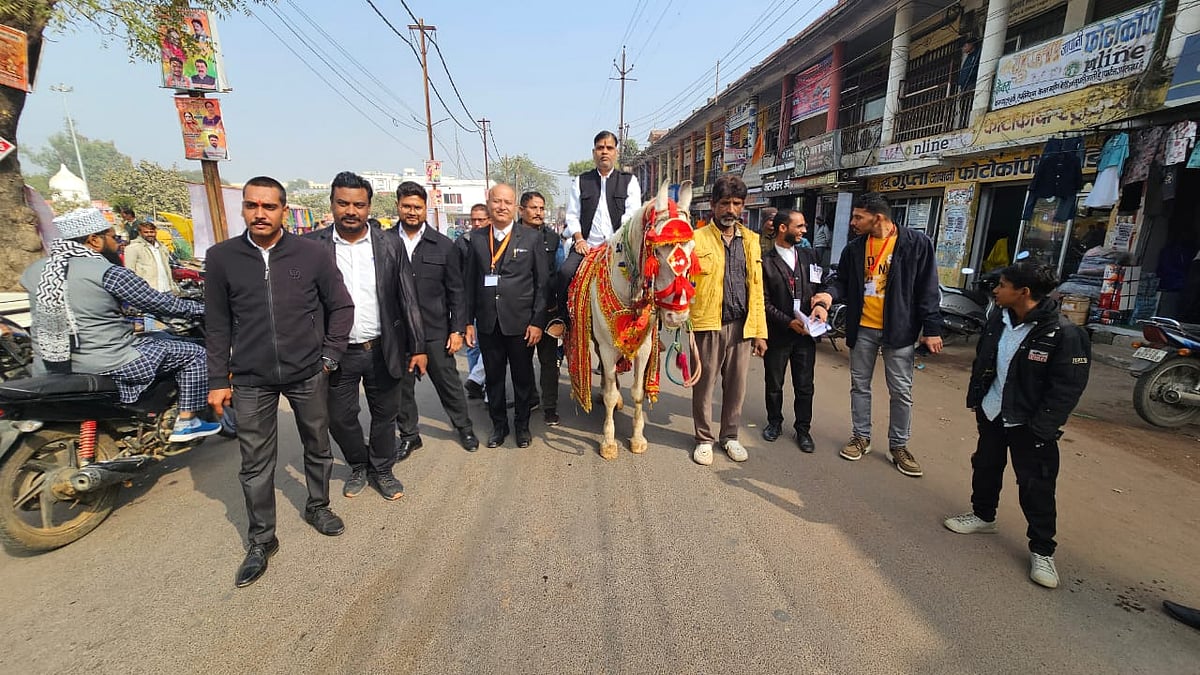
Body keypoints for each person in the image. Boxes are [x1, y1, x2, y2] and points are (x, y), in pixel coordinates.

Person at [205, 176, 354, 588]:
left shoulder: (312, 255)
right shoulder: (222, 258)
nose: (260, 213)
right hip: (251, 378)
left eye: (269, 207)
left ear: (283, 211)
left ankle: (318, 506)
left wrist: (329, 356)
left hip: (308, 371)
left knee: (317, 443)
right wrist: (219, 378)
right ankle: (261, 539)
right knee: (255, 462)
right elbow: (216, 324)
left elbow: (341, 306)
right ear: (243, 209)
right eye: (252, 206)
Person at [944, 263, 1090, 589]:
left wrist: (1043, 427)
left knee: (1035, 485)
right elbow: (984, 360)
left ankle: (1042, 550)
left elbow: (1067, 388)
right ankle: (983, 516)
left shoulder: (1063, 334)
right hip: (993, 412)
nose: (996, 290)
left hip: (1030, 424)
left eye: (1003, 285)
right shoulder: (1000, 318)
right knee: (985, 466)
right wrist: (978, 401)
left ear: (1023, 292)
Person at [20, 208, 217, 442]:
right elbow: (158, 303)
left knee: (160, 339)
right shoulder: (106, 272)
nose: (118, 243)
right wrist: (208, 309)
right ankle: (187, 421)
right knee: (196, 354)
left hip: (51, 362)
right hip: (111, 359)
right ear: (94, 240)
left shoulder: (35, 271)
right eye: (113, 237)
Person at [304, 172, 426, 501]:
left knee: (385, 414)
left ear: (369, 207)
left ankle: (383, 469)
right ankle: (359, 464)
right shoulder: (313, 247)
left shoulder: (389, 244)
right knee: (340, 418)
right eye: (343, 203)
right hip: (336, 353)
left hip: (381, 347)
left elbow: (408, 297)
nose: (351, 211)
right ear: (331, 204)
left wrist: (418, 347)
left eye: (359, 204)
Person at [829, 192, 942, 477]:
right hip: (863, 327)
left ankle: (899, 446)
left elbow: (927, 289)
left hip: (899, 330)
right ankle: (861, 437)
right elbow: (841, 281)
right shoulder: (854, 249)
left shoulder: (916, 244)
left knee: (901, 391)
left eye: (858, 217)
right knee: (860, 385)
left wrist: (932, 329)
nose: (853, 222)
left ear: (877, 218)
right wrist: (826, 296)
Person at [393, 181, 479, 455]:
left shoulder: (443, 246)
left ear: (425, 208)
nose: (412, 212)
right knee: (401, 390)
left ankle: (464, 428)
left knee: (449, 384)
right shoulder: (383, 242)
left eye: (417, 207)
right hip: (398, 332)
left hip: (435, 330)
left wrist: (456, 330)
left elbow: (457, 291)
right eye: (406, 206)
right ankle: (409, 435)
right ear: (398, 206)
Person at [688, 174, 768, 465]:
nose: (730, 210)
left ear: (743, 207)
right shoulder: (695, 240)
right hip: (708, 324)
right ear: (713, 205)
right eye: (725, 203)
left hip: (742, 325)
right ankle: (704, 438)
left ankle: (730, 437)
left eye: (736, 203)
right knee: (705, 385)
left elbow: (757, 288)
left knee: (736, 387)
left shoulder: (751, 241)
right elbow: (681, 284)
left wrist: (760, 332)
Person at [463, 184, 548, 449]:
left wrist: (537, 322)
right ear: (488, 203)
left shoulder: (531, 238)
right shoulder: (476, 238)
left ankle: (522, 427)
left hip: (521, 323)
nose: (502, 207)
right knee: (494, 378)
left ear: (516, 208)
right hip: (488, 322)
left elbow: (541, 284)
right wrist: (466, 322)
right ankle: (498, 426)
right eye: (497, 201)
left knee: (523, 379)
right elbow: (469, 284)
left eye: (507, 202)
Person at [556, 130, 642, 334]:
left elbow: (631, 216)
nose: (604, 152)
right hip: (586, 246)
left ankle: (648, 328)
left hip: (619, 247)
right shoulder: (581, 181)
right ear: (593, 152)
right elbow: (572, 215)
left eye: (609, 148)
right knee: (563, 273)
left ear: (616, 153)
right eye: (600, 148)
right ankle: (562, 321)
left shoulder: (629, 181)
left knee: (645, 278)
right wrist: (579, 239)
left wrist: (614, 243)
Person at [761, 209, 832, 452]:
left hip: (806, 335)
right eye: (799, 226)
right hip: (780, 333)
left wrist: (821, 304)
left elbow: (822, 285)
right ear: (783, 228)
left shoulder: (809, 256)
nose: (804, 230)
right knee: (774, 383)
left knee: (804, 385)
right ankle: (774, 422)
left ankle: (803, 430)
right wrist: (787, 321)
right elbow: (763, 302)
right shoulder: (766, 262)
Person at [519, 190, 562, 426]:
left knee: (548, 361)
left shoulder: (553, 239)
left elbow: (560, 274)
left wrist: (560, 312)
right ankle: (529, 400)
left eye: (542, 208)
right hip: (518, 311)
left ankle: (550, 407)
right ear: (522, 210)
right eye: (534, 208)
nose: (538, 213)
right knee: (521, 362)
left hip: (546, 310)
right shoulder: (510, 236)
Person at [461, 203, 489, 400]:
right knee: (473, 347)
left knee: (490, 348)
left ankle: (481, 383)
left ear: (489, 220)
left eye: (481, 219)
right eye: (474, 220)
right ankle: (476, 385)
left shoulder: (496, 240)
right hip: (470, 302)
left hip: (491, 303)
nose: (477, 223)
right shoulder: (463, 242)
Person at [124, 220, 178, 294]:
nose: (149, 234)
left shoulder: (162, 247)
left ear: (155, 232)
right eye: (146, 232)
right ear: (140, 233)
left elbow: (167, 267)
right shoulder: (133, 248)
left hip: (167, 288)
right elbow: (130, 272)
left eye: (152, 232)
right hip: (148, 290)